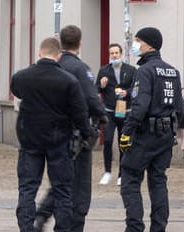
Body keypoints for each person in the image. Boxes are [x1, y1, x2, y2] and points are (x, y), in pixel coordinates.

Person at [12, 36, 95, 232]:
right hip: (59, 140)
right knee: (62, 191)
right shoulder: (69, 81)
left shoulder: (22, 76)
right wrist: (87, 133)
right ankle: (62, 228)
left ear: (39, 53)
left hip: (30, 139)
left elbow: (17, 92)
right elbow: (79, 112)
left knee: (27, 189)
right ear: (58, 56)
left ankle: (26, 227)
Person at [35, 24, 104, 232]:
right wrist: (102, 117)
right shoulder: (79, 68)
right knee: (78, 186)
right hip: (76, 136)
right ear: (79, 44)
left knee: (61, 180)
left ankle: (43, 214)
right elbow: (92, 100)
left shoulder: (51, 66)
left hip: (50, 133)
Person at [118, 27, 184, 232]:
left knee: (130, 177)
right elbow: (180, 108)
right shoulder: (173, 71)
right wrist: (172, 132)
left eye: (138, 41)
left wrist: (126, 132)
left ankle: (134, 227)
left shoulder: (144, 71)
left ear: (148, 44)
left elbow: (140, 106)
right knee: (158, 181)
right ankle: (159, 228)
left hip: (144, 135)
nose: (135, 45)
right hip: (165, 136)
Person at [96, 42, 136, 186]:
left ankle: (122, 174)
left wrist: (128, 92)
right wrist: (101, 85)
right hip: (110, 112)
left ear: (121, 54)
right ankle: (107, 172)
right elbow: (96, 91)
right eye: (111, 53)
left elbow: (136, 89)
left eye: (116, 53)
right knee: (107, 141)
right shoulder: (104, 70)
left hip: (125, 111)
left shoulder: (131, 70)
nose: (114, 55)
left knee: (123, 142)